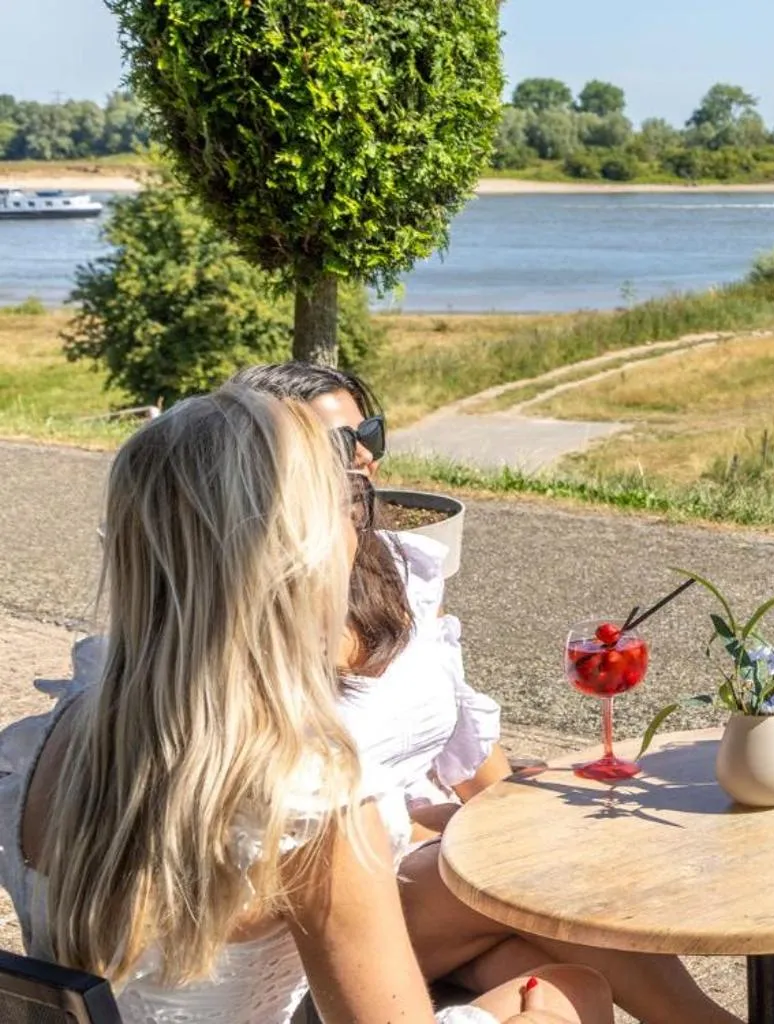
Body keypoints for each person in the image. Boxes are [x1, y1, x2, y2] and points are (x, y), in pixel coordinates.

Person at [0, 387, 609, 1023]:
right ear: (302, 553)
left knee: (555, 978)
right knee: (572, 994)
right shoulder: (312, 804)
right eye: (348, 503)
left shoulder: (49, 747)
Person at [228, 362, 742, 1024]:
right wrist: (460, 833)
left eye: (370, 435)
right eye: (335, 443)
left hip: (412, 857)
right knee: (533, 878)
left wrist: (518, 812)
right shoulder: (256, 608)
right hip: (334, 891)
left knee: (554, 963)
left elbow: (465, 751)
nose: (361, 457)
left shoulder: (399, 570)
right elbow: (290, 807)